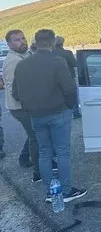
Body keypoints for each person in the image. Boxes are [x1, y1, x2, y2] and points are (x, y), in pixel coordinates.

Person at [12, 29, 87, 203]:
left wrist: (29, 106)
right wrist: (69, 106)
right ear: (52, 42)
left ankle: (50, 192)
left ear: (36, 43)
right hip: (58, 112)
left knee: (44, 152)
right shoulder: (57, 61)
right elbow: (69, 89)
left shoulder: (22, 65)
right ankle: (66, 191)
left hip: (36, 115)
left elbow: (15, 92)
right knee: (62, 152)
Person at [2, 29, 40, 178]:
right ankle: (39, 170)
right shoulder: (13, 62)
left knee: (33, 131)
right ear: (9, 44)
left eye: (23, 38)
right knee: (36, 136)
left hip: (27, 104)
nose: (22, 41)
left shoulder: (25, 55)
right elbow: (14, 90)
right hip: (20, 107)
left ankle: (24, 158)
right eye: (17, 40)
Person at [53, 36, 81, 118]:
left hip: (55, 78)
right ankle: (75, 112)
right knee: (72, 94)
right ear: (62, 43)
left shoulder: (51, 53)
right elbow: (74, 64)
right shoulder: (67, 53)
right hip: (68, 77)